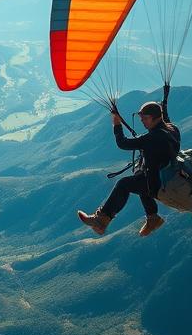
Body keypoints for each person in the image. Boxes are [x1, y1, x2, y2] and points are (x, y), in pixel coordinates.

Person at [77, 100, 180, 237]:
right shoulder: (173, 129)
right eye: (141, 118)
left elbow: (122, 143)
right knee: (139, 176)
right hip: (166, 176)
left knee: (123, 184)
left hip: (156, 184)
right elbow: (165, 122)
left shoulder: (152, 138)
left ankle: (101, 221)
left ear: (152, 118)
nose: (142, 121)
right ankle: (153, 218)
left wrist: (116, 122)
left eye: (144, 118)